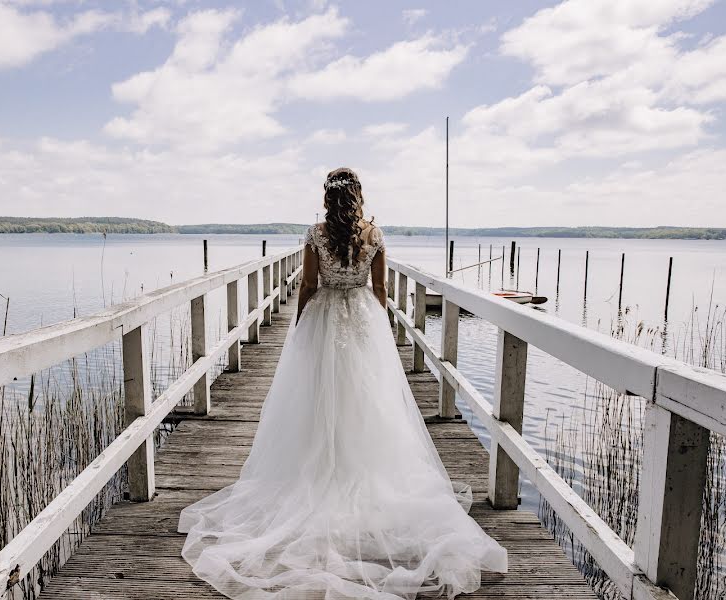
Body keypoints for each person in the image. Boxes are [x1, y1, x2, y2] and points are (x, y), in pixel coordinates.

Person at [179, 167, 507, 599]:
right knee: (368, 401)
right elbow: (380, 289)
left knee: (318, 397)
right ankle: (361, 471)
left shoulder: (315, 234)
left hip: (324, 320)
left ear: (328, 197)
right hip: (362, 322)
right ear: (358, 196)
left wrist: (299, 327)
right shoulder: (375, 235)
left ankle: (319, 472)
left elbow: (310, 285)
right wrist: (378, 333)